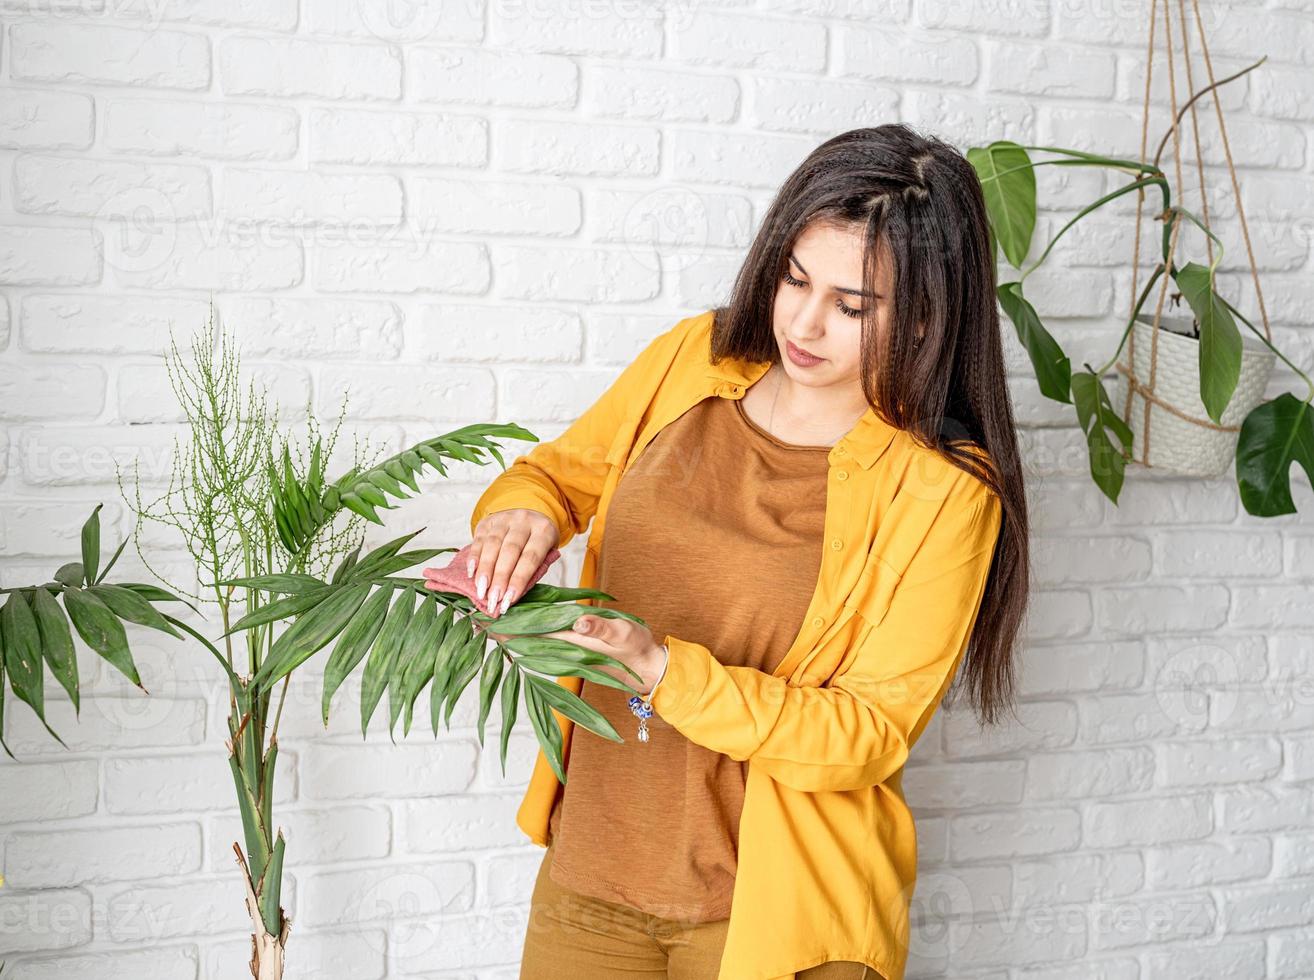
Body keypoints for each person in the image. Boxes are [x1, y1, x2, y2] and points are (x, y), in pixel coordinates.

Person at [442, 124, 1030, 980]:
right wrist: (519, 518)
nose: (803, 321)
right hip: (592, 871)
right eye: (796, 279)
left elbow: (868, 732)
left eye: (852, 306)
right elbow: (557, 478)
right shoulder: (695, 357)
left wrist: (661, 670)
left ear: (927, 318)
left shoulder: (944, 489)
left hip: (774, 910)